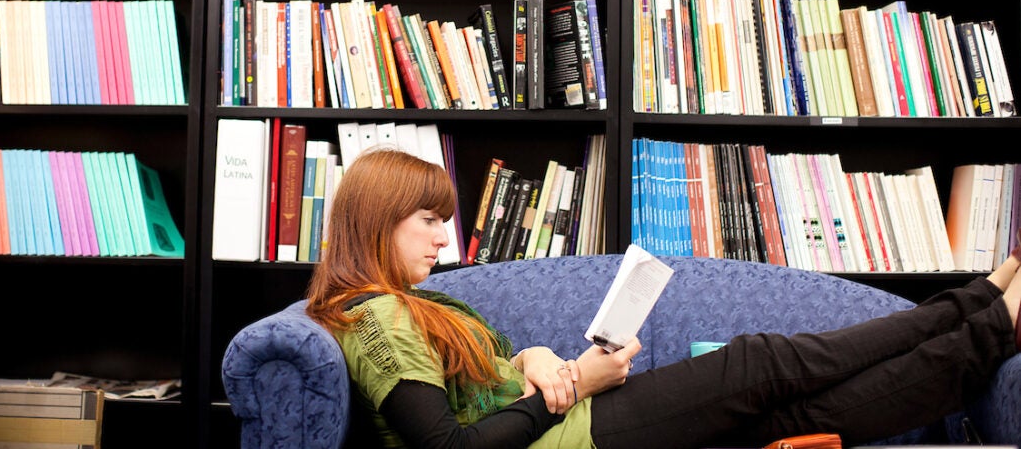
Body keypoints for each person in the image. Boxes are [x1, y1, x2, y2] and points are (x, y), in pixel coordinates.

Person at [306, 148, 1021, 449]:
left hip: (575, 423)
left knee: (802, 416)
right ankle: (980, 308)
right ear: (376, 216)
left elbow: (473, 381)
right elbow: (448, 444)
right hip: (573, 434)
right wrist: (569, 386)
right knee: (761, 362)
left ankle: (984, 322)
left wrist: (531, 356)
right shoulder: (376, 316)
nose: (442, 234)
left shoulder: (408, 304)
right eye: (427, 219)